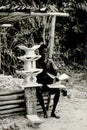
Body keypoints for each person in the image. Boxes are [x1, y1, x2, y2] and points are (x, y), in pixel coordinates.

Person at [36, 44, 60, 119]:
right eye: (43, 52)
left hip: (49, 84)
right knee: (38, 92)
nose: (44, 54)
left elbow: (56, 71)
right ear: (39, 52)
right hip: (41, 84)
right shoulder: (37, 61)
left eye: (46, 52)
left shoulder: (49, 61)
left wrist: (57, 76)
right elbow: (38, 73)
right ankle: (44, 111)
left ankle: (53, 112)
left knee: (58, 91)